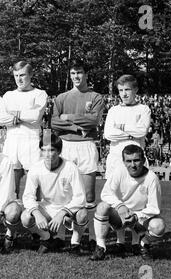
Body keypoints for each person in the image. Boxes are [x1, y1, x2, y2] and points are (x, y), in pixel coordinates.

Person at [51, 59, 105, 251]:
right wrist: (75, 126)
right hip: (66, 146)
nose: (76, 76)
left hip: (87, 146)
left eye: (80, 73)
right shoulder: (62, 97)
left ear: (86, 74)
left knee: (88, 194)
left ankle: (86, 235)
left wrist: (69, 117)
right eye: (73, 73)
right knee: (66, 192)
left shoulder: (96, 96)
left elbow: (94, 120)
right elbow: (54, 123)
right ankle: (65, 235)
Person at [91, 144, 166, 261]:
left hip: (140, 219)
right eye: (129, 161)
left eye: (136, 160)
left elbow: (154, 208)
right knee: (102, 207)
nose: (133, 165)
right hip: (119, 216)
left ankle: (144, 244)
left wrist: (136, 216)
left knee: (159, 226)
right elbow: (105, 194)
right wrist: (120, 206)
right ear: (124, 162)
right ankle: (101, 247)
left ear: (143, 160)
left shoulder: (152, 178)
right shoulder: (119, 172)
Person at [103, 74, 151, 253]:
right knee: (116, 199)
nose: (123, 94)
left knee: (137, 198)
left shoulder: (144, 109)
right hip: (116, 158)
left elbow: (142, 131)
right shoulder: (114, 110)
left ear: (135, 90)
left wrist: (122, 129)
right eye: (121, 90)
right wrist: (130, 133)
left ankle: (136, 241)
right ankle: (120, 240)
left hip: (135, 158)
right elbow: (108, 134)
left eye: (127, 90)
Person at [21, 132, 88, 254]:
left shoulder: (71, 167)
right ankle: (47, 238)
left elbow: (80, 197)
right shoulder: (35, 169)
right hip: (47, 207)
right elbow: (28, 197)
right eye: (43, 150)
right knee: (26, 217)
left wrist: (62, 213)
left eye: (51, 150)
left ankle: (75, 243)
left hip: (68, 209)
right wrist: (37, 214)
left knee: (82, 214)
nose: (47, 155)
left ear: (59, 151)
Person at [1, 61, 48, 198]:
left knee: (35, 182)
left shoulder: (39, 94)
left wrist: (14, 114)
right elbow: (1, 118)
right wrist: (24, 114)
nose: (19, 79)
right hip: (11, 141)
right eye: (16, 76)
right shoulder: (8, 95)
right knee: (10, 185)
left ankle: (35, 214)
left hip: (31, 140)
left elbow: (35, 116)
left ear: (31, 75)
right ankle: (12, 214)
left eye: (22, 75)